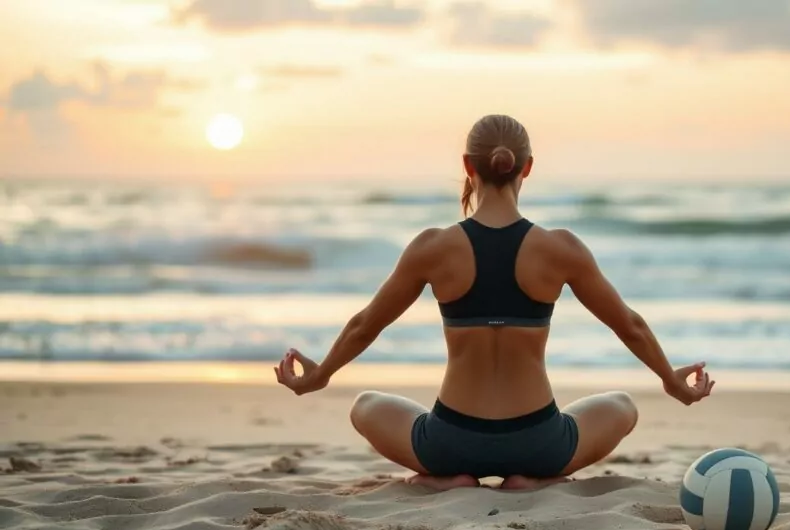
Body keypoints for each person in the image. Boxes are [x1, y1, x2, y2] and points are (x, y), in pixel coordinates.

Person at [274, 114, 715, 491]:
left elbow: (365, 325)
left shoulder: (434, 246)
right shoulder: (560, 249)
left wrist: (321, 374)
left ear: (468, 166)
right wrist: (670, 381)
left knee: (365, 404)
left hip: (448, 443)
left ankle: (446, 481)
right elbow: (630, 326)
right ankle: (535, 482)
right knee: (622, 404)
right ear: (527, 169)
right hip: (540, 444)